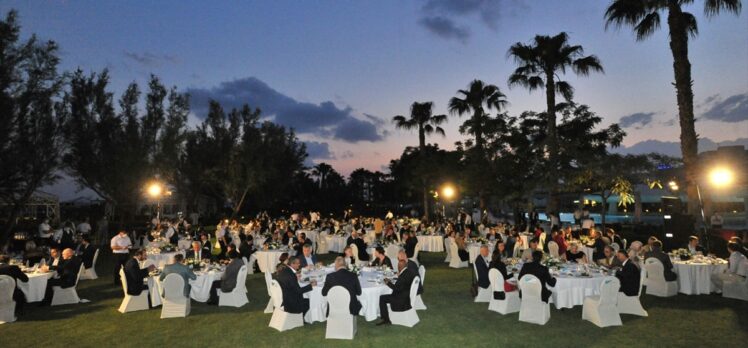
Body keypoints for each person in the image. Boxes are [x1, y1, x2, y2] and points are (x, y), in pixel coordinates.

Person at [376, 259, 416, 326]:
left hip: (400, 300)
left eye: (398, 266)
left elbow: (396, 288)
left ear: (399, 267)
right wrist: (398, 277)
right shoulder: (408, 272)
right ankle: (385, 317)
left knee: (382, 298)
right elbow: (402, 284)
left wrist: (388, 282)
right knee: (384, 297)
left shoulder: (403, 276)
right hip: (406, 296)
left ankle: (386, 319)